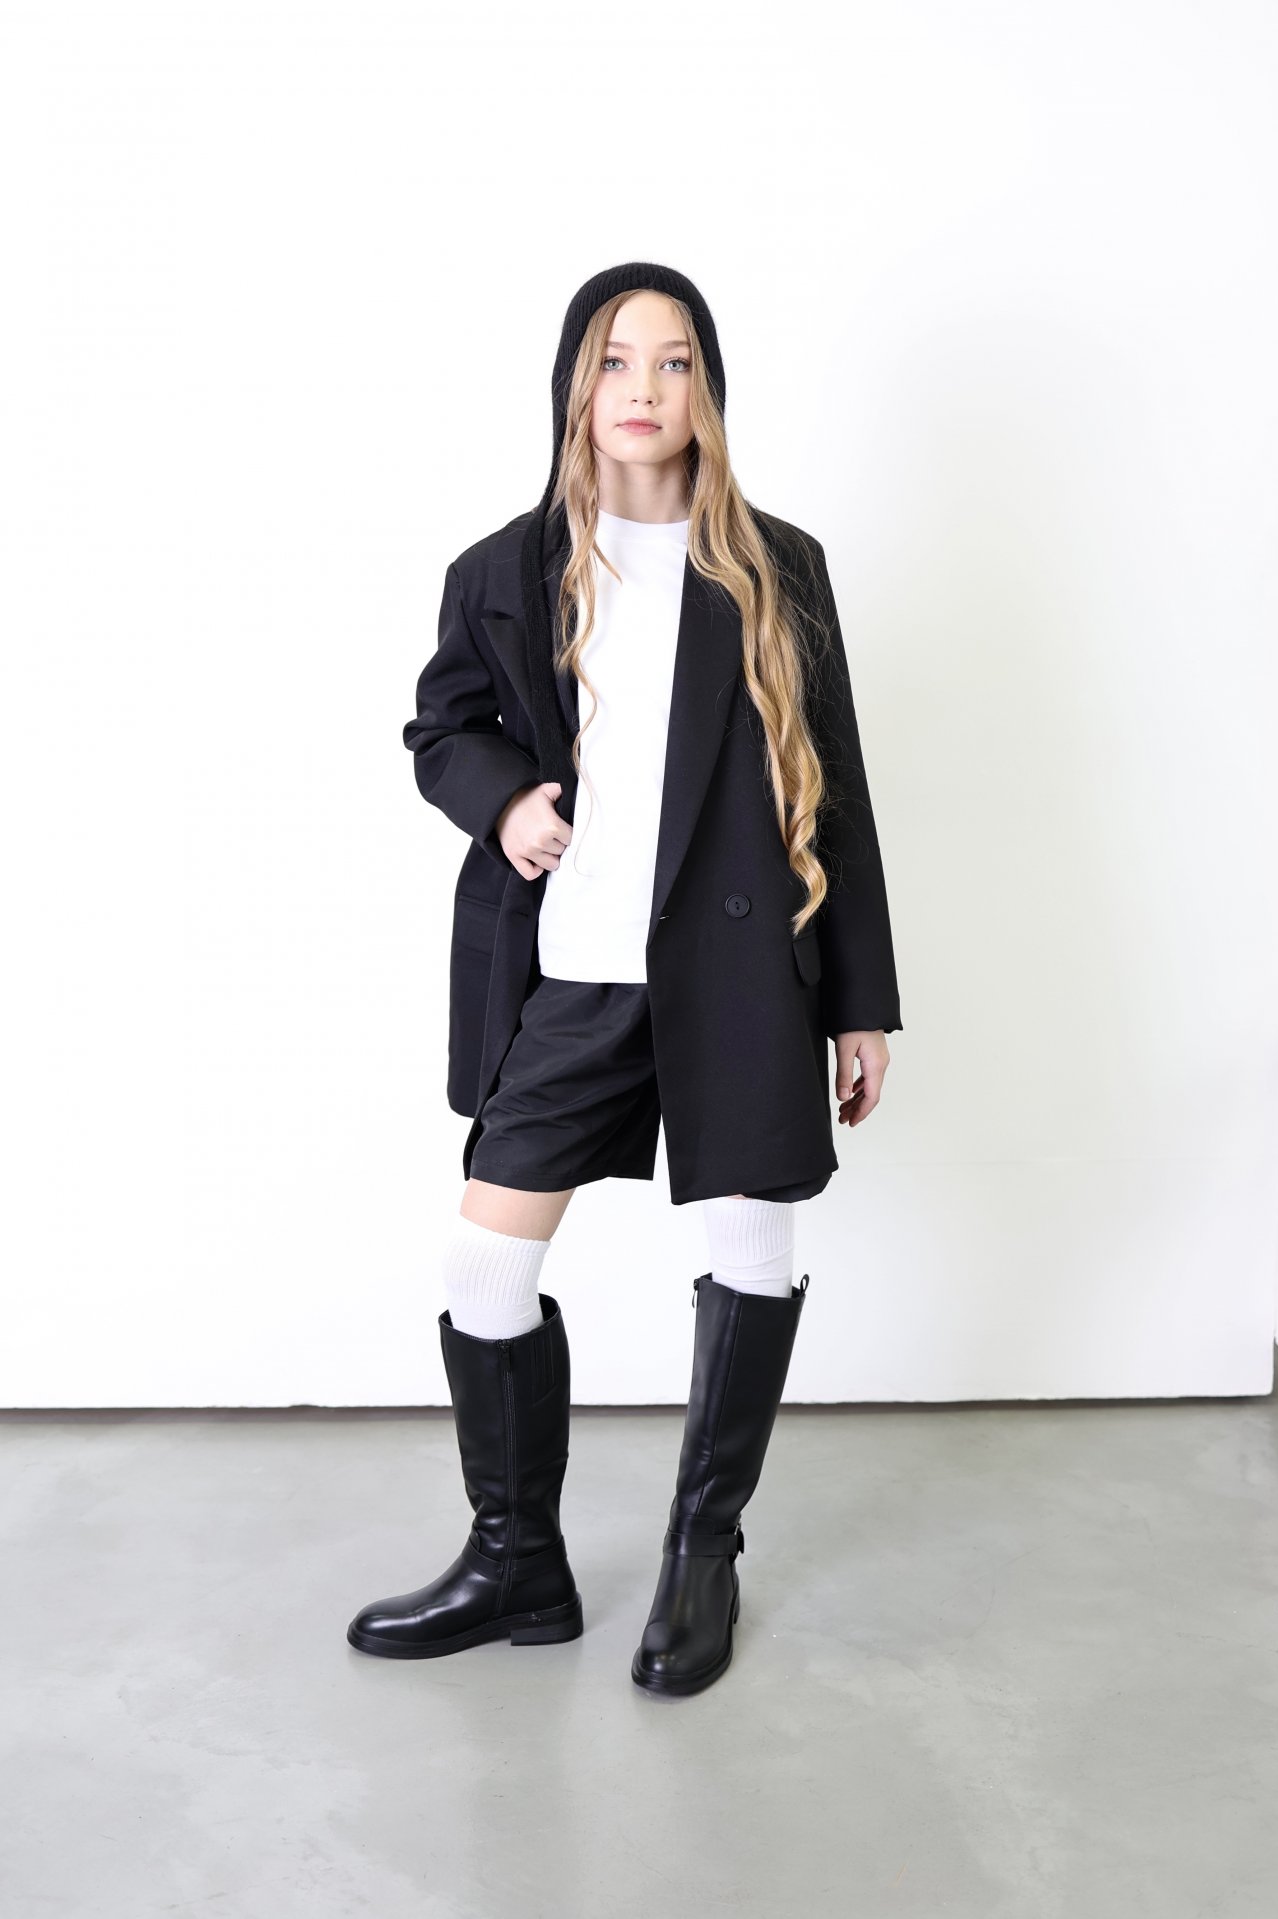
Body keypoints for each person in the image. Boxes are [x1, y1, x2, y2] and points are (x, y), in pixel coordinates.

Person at [346, 261, 903, 1697]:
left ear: (707, 390)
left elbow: (835, 790)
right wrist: (504, 803)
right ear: (574, 386)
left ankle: (703, 1555)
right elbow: (441, 729)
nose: (643, 389)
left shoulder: (777, 567)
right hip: (576, 970)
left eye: (672, 361)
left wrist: (860, 1000)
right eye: (614, 360)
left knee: (753, 1252)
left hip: (741, 972)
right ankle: (514, 1562)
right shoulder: (505, 567)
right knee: (487, 1263)